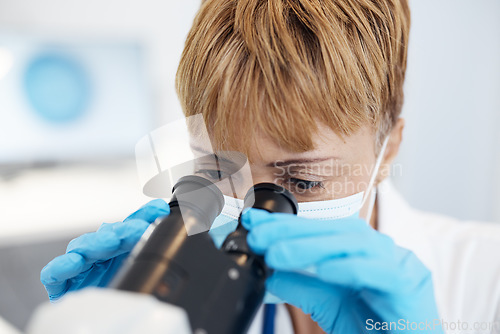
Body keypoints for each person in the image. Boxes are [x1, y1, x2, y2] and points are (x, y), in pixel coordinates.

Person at [40, 0, 500, 333]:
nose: (249, 217)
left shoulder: (486, 281)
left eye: (301, 181)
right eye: (218, 172)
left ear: (390, 149)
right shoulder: (180, 299)